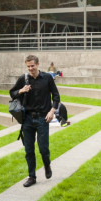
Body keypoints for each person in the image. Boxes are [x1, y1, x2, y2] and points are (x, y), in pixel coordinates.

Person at [10, 54, 60, 187]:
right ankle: (32, 176)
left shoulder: (47, 78)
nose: (30, 69)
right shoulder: (24, 78)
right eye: (28, 66)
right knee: (29, 150)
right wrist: (21, 90)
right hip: (27, 119)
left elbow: (56, 96)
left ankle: (47, 164)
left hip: (43, 118)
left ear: (38, 64)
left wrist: (51, 111)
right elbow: (12, 93)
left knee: (43, 148)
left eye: (32, 66)